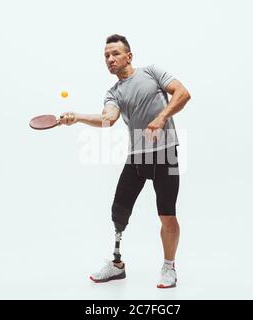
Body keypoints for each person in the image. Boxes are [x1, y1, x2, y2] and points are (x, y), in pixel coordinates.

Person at [58, 34, 191, 288]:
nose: (110, 59)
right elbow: (108, 119)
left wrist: (162, 117)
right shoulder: (113, 93)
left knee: (167, 215)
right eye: (106, 56)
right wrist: (77, 117)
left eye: (115, 54)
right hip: (137, 157)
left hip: (165, 153)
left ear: (129, 56)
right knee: (118, 211)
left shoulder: (152, 73)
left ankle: (169, 266)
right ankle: (117, 264)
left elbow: (183, 94)